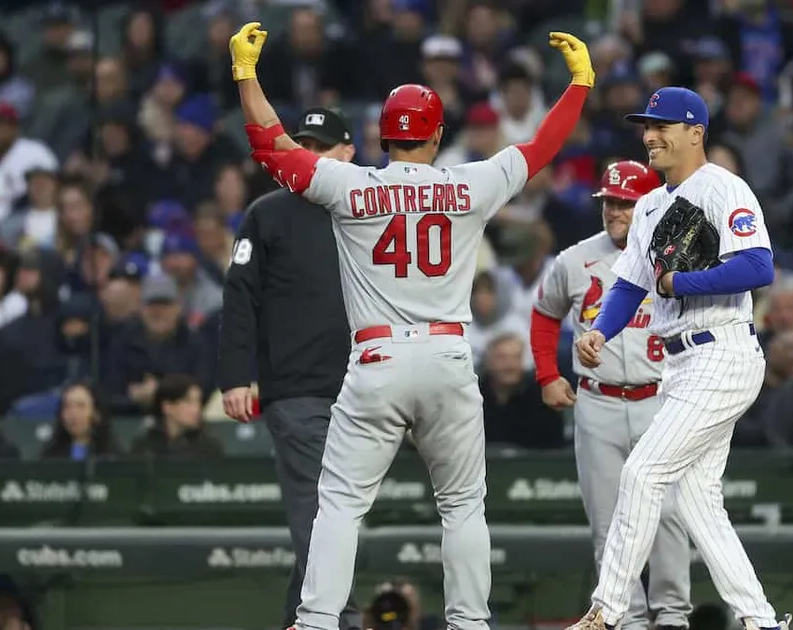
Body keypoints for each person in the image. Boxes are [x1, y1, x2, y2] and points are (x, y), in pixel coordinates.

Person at [230, 21, 592, 630]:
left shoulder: (349, 185)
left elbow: (269, 145)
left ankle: (317, 619)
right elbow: (541, 148)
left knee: (340, 503)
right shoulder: (470, 183)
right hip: (448, 359)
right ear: (438, 135)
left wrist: (246, 76)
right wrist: (579, 85)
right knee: (462, 507)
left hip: (376, 361)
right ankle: (470, 623)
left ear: (381, 137)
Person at [569, 87, 791, 630]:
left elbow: (759, 267)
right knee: (697, 501)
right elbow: (629, 286)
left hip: (722, 349)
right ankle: (759, 620)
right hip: (681, 362)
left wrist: (680, 279)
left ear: (696, 132)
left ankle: (607, 611)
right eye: (647, 125)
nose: (650, 135)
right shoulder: (648, 205)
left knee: (643, 472)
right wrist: (599, 332)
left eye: (663, 125)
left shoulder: (723, 188)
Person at [531, 160, 691, 630]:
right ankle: (627, 619)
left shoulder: (677, 254)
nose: (614, 210)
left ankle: (672, 617)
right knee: (608, 523)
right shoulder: (575, 259)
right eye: (609, 202)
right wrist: (546, 374)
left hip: (662, 399)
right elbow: (544, 314)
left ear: (648, 205)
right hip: (597, 401)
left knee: (667, 518)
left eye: (625, 202)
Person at [217, 105, 359, 630]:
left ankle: (301, 620)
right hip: (297, 388)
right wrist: (235, 376)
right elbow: (240, 297)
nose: (310, 155)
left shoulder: (367, 206)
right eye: (303, 144)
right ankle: (338, 618)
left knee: (336, 515)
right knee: (321, 514)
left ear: (348, 151)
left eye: (322, 147)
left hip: (367, 385)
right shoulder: (268, 212)